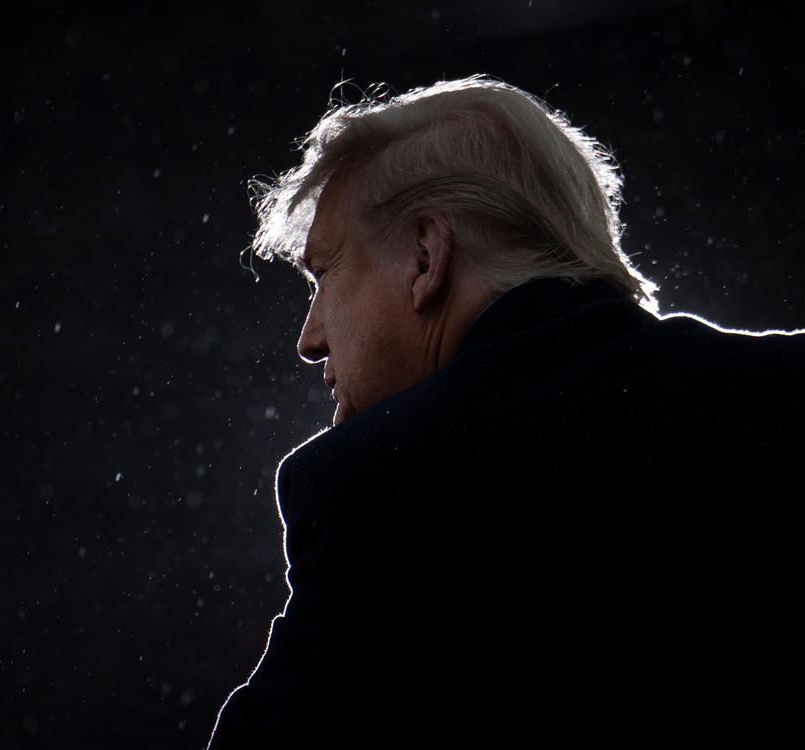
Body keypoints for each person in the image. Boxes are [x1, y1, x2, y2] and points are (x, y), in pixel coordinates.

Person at [208, 75, 804, 747]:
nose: (309, 338)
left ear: (426, 257)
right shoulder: (783, 390)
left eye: (324, 274)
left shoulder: (382, 492)